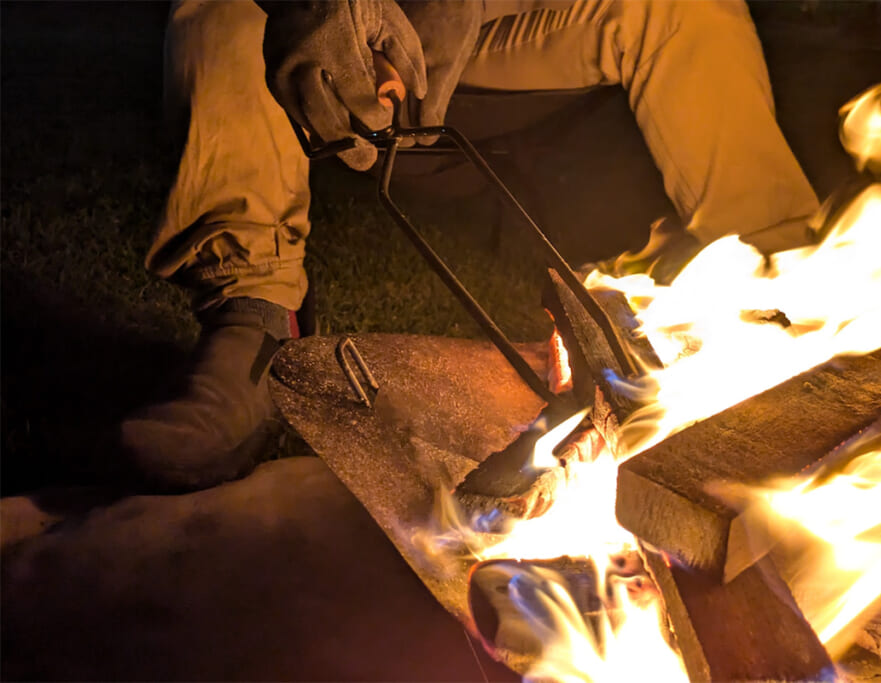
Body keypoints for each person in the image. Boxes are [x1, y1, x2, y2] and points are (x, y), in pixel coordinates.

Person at [121, 0, 820, 491]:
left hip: (479, 37)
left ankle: (796, 306)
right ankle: (254, 313)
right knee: (215, 9)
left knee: (684, 7)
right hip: (310, 34)